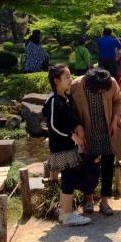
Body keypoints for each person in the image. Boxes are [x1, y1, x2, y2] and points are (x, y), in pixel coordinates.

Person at [70, 68, 121, 216]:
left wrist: (115, 120)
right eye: (99, 91)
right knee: (88, 166)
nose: (102, 93)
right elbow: (71, 110)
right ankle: (88, 200)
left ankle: (104, 201)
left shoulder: (111, 82)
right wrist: (77, 126)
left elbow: (118, 101)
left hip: (108, 132)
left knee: (108, 166)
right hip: (87, 133)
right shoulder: (76, 85)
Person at [42, 64, 91, 226]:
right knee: (68, 178)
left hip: (68, 145)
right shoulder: (54, 101)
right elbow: (54, 126)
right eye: (67, 77)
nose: (70, 80)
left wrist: (78, 126)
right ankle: (66, 215)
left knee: (69, 178)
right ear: (56, 80)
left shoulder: (66, 98)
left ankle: (66, 213)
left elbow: (71, 118)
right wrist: (72, 136)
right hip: (61, 147)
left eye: (70, 76)